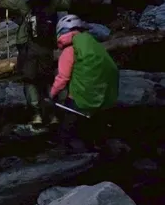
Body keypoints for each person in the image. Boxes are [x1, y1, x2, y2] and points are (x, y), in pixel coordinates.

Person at [0, 0, 70, 126]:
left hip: (27, 45)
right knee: (48, 79)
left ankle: (37, 115)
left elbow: (2, 2)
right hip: (47, 45)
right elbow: (67, 3)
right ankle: (52, 116)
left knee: (30, 79)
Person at [50, 14, 119, 149]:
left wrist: (52, 94)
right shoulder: (93, 44)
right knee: (95, 131)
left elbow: (62, 78)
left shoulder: (69, 50)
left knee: (67, 131)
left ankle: (72, 158)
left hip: (80, 99)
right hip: (103, 97)